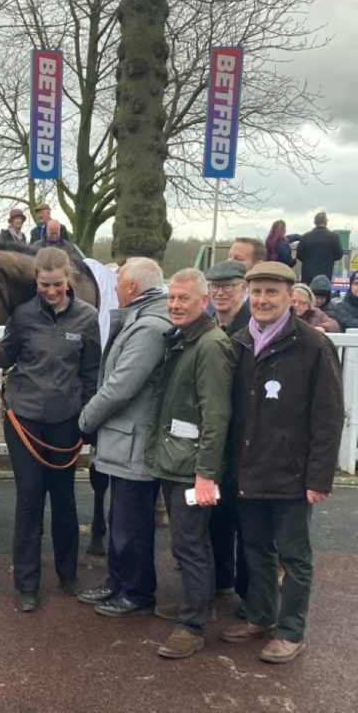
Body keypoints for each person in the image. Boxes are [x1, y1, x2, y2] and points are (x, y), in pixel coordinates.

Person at [220, 262, 343, 664]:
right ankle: (261, 616)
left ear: (291, 297)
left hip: (291, 474)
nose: (262, 300)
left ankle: (291, 630)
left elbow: (328, 416)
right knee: (255, 549)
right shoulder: (238, 342)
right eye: (256, 292)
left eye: (271, 292)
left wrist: (318, 476)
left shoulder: (312, 345)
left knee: (295, 557)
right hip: (248, 469)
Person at [0, 248, 101, 612]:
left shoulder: (87, 317)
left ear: (68, 281)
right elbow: (9, 354)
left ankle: (68, 575)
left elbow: (91, 372)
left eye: (57, 284)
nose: (51, 291)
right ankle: (26, 582)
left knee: (64, 498)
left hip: (66, 422)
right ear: (36, 281)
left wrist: (86, 417)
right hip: (26, 419)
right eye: (44, 284)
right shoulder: (23, 315)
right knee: (30, 498)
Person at [145, 268, 235, 659]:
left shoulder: (211, 346)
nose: (176, 305)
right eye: (172, 298)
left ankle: (192, 625)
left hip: (192, 467)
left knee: (189, 544)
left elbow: (216, 415)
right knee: (190, 542)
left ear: (204, 302)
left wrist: (205, 474)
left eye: (184, 298)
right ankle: (200, 606)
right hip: (178, 461)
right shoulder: (184, 339)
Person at [76, 258, 170, 617]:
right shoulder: (142, 320)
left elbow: (120, 387)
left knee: (132, 524)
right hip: (124, 438)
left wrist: (85, 419)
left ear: (132, 287)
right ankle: (118, 583)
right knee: (121, 520)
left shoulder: (147, 328)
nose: (113, 288)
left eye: (118, 283)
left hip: (134, 440)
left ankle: (137, 591)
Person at [204, 259, 251, 611]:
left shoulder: (254, 326)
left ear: (243, 289)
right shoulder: (211, 325)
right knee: (217, 512)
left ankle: (252, 599)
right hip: (218, 435)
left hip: (247, 437)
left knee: (247, 521)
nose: (220, 293)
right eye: (215, 287)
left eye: (229, 286)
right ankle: (221, 579)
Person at [297, 211, 343, 285]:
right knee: (323, 294)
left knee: (307, 294)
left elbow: (299, 254)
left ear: (315, 222)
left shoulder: (305, 237)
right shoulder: (334, 237)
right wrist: (329, 259)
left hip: (308, 273)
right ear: (326, 221)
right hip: (326, 272)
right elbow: (339, 254)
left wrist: (308, 261)